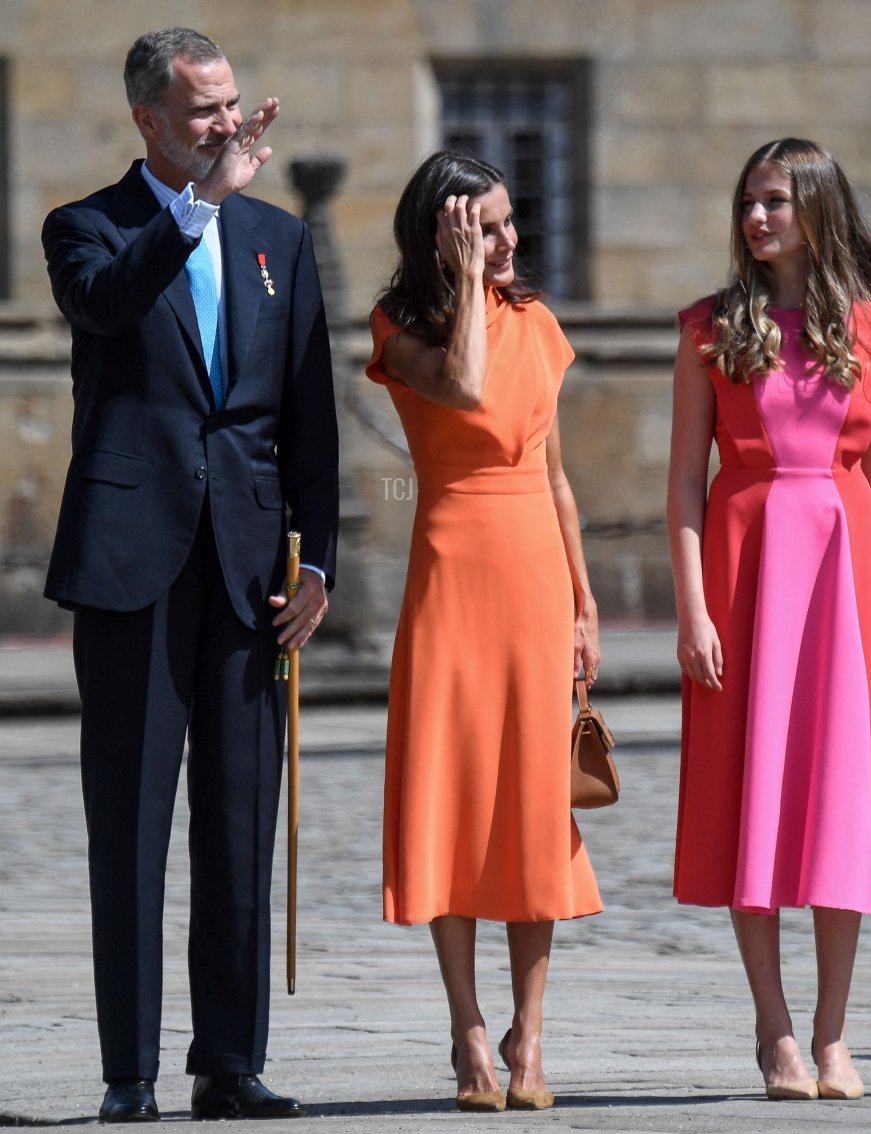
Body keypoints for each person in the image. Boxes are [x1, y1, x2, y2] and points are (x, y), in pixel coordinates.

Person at [41, 27, 339, 1123]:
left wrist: (327, 567)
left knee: (238, 818)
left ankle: (231, 1061)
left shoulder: (281, 241)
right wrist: (200, 205)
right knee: (130, 826)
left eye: (229, 103)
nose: (225, 122)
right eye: (201, 109)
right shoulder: (87, 228)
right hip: (132, 568)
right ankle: (131, 1074)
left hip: (250, 569)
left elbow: (308, 415)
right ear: (149, 121)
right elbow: (108, 303)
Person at [667, 138, 871, 1102]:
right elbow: (681, 485)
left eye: (777, 201)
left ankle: (833, 1035)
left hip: (846, 582)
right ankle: (775, 1029)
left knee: (837, 804)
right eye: (749, 201)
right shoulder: (708, 328)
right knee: (751, 800)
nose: (757, 218)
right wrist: (692, 609)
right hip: (743, 577)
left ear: (818, 209)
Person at [365, 151, 602, 1113]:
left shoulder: (537, 324)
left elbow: (552, 477)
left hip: (536, 578)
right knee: (454, 799)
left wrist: (585, 605)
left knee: (534, 809)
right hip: (452, 578)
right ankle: (469, 1033)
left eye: (509, 225)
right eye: (485, 228)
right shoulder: (401, 326)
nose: (507, 243)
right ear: (442, 234)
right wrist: (463, 283)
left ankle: (530, 1038)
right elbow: (462, 389)